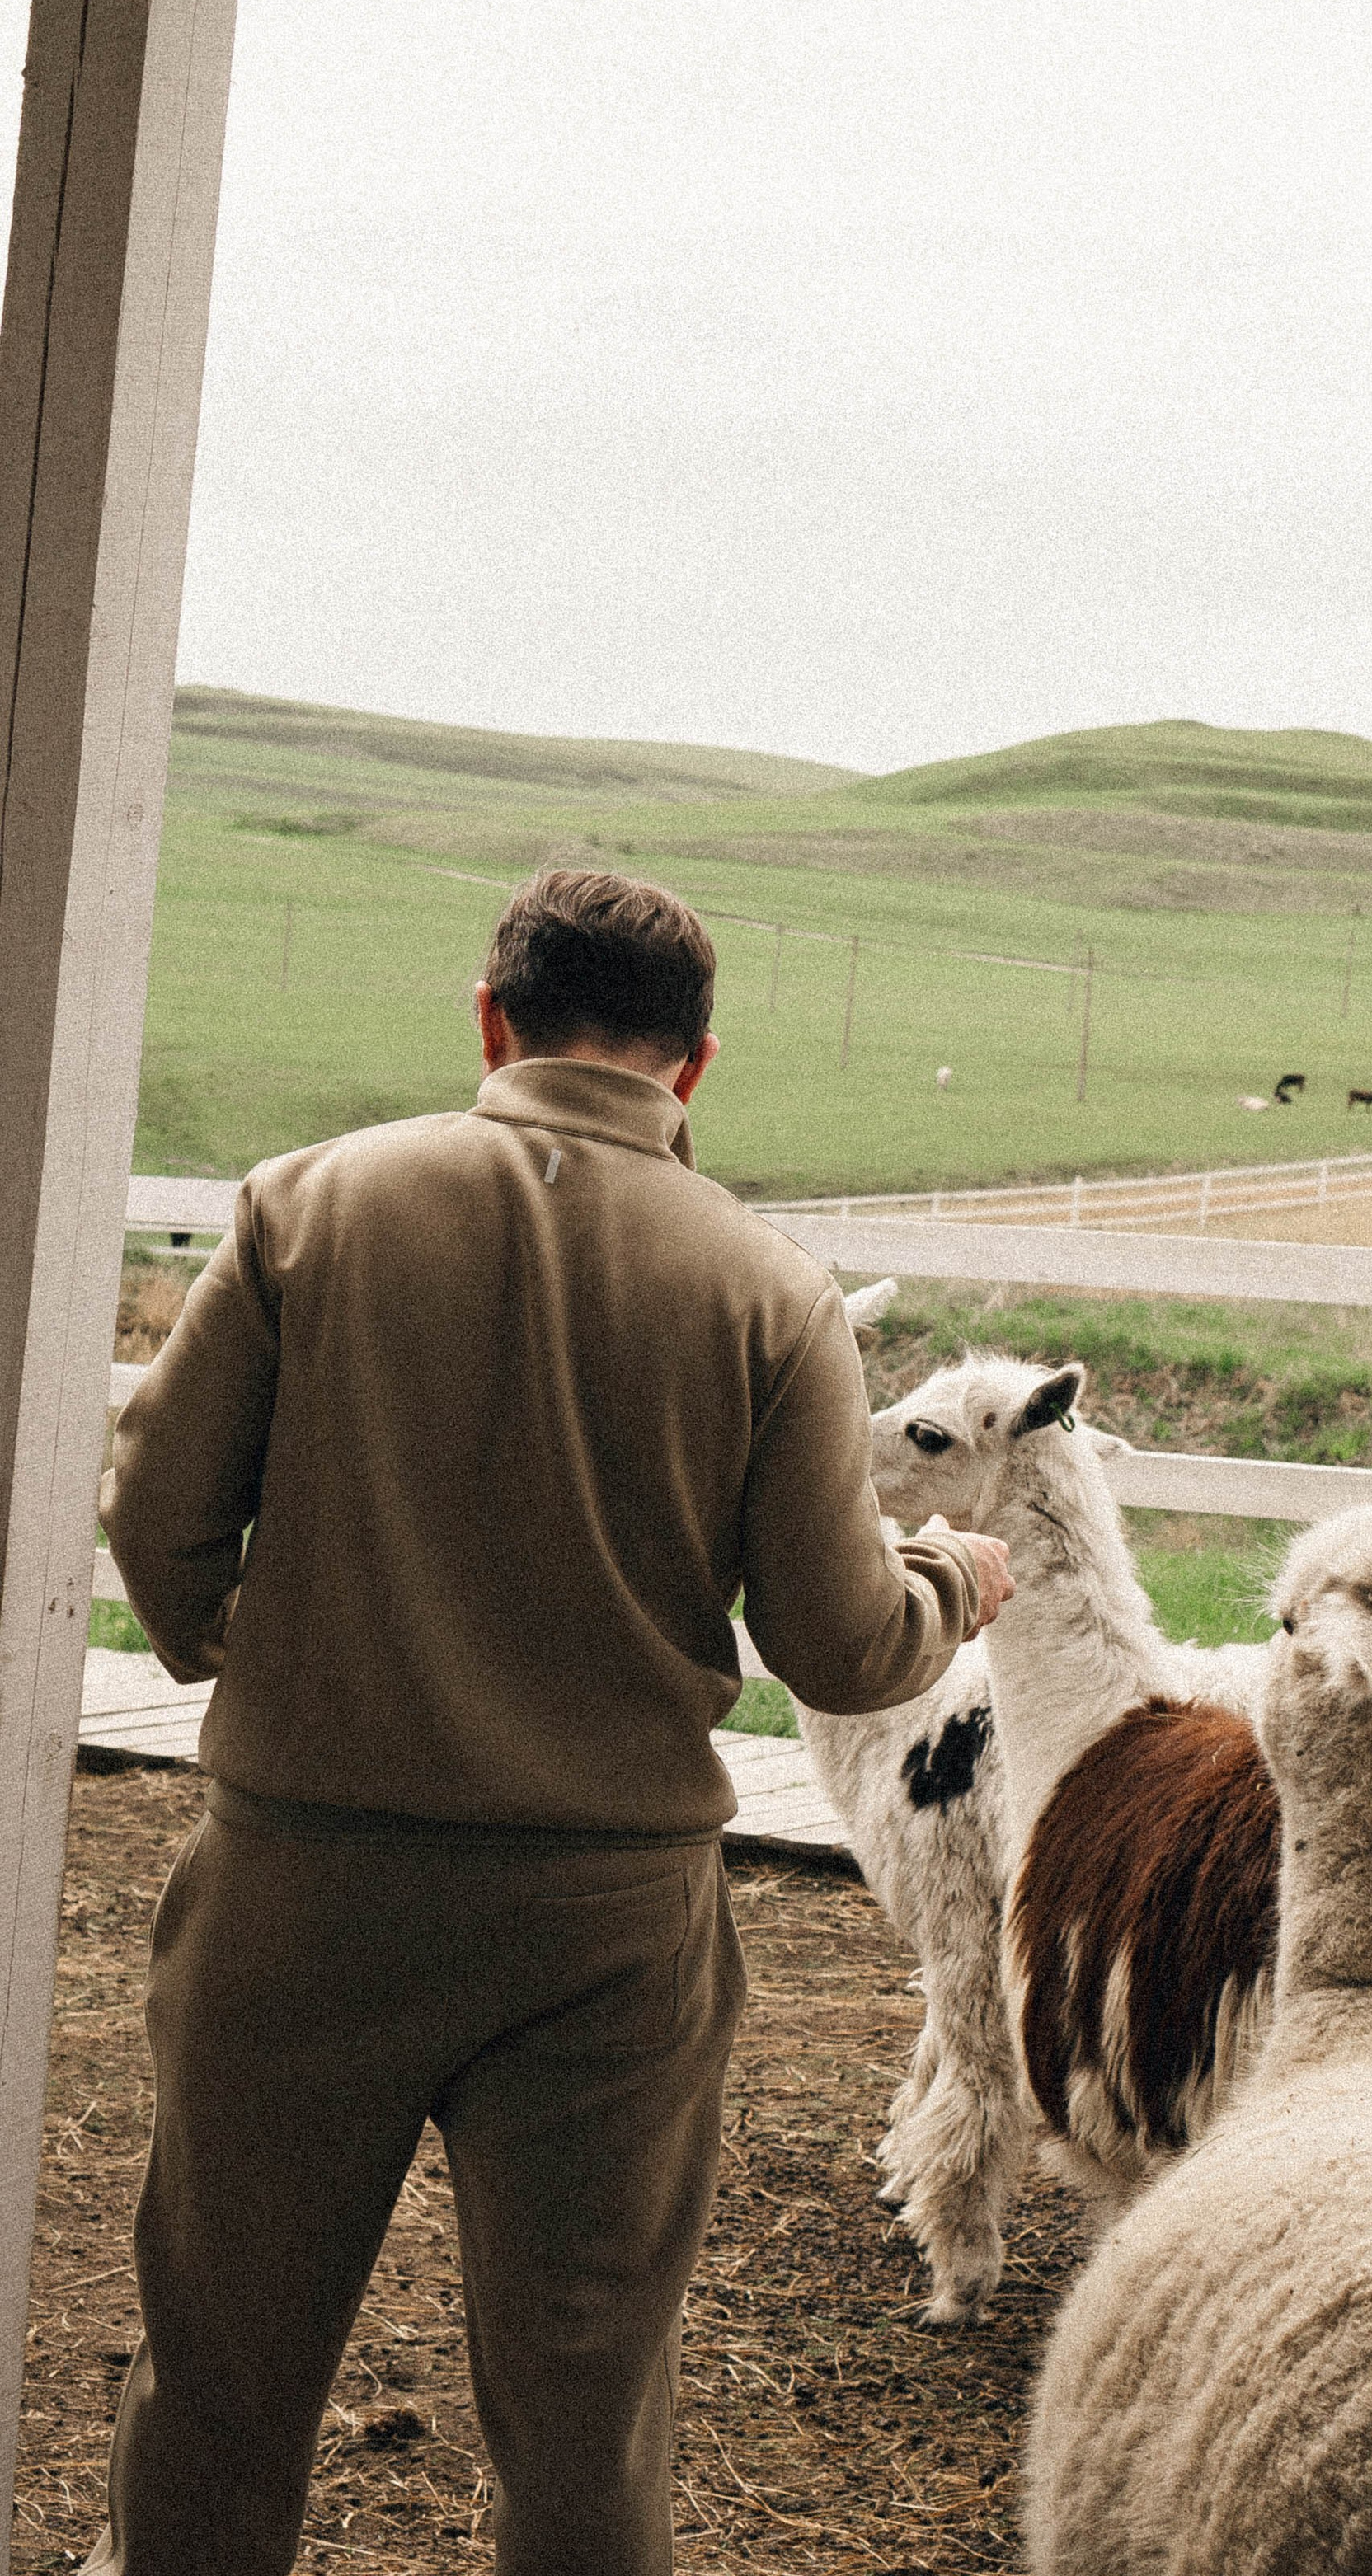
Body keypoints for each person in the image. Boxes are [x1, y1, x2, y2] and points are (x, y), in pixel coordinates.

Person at [93, 866, 1012, 2576]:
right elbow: (835, 1641)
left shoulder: (309, 1208)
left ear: (489, 1018)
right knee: (585, 2418)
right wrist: (950, 1582)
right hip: (605, 1931)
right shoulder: (766, 1291)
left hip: (301, 1886)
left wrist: (260, 1654)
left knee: (219, 2377)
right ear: (695, 1066)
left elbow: (153, 1512)